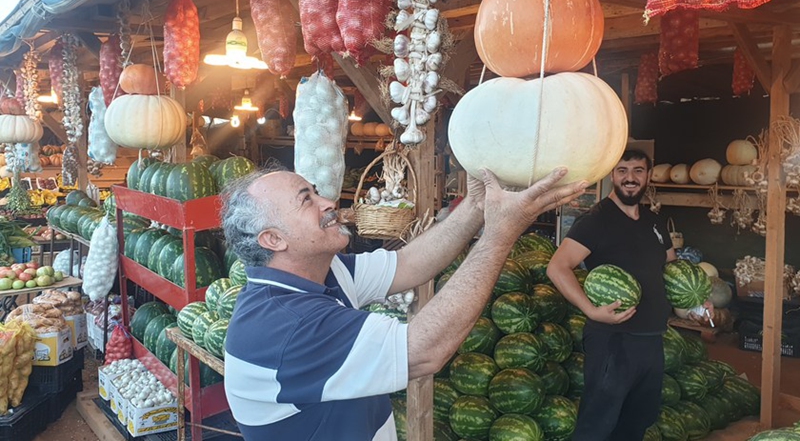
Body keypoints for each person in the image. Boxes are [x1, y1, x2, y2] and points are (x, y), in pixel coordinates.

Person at [220, 164, 586, 441]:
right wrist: (499, 236)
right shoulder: (285, 327)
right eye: (306, 200)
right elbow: (424, 350)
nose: (328, 202)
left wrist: (476, 206)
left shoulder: (319, 274)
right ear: (273, 239)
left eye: (316, 192)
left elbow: (407, 264)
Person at [547, 149, 676, 441]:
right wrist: (590, 310)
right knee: (598, 424)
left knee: (636, 422)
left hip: (651, 339)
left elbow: (670, 267)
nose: (630, 178)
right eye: (622, 171)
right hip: (613, 342)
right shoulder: (596, 220)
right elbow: (557, 267)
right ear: (612, 175)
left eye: (638, 171)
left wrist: (693, 300)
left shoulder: (654, 223)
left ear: (648, 175)